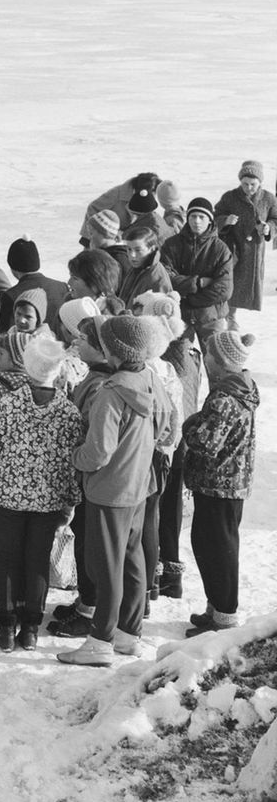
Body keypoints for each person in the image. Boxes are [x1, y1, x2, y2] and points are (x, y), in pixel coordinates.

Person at [58, 314, 176, 666]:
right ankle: (129, 633)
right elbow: (169, 427)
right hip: (141, 483)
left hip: (110, 490)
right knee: (132, 558)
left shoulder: (111, 392)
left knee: (105, 566)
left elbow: (98, 452)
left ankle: (100, 640)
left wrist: (73, 455)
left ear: (113, 350)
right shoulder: (151, 379)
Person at [0, 334, 83, 649]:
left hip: (9, 495)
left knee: (8, 558)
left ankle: (7, 627)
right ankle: (31, 629)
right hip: (49, 499)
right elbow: (71, 461)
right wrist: (70, 500)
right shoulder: (69, 412)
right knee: (38, 560)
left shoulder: (9, 404)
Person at [183, 328, 260, 636]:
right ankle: (216, 606)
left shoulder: (226, 397)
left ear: (223, 361)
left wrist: (189, 424)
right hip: (226, 484)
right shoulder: (241, 386)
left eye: (210, 354)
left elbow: (205, 442)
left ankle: (225, 615)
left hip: (219, 485)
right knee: (209, 544)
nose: (206, 359)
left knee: (218, 548)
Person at [161, 197, 235, 347]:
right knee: (180, 362)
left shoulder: (220, 249)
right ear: (187, 218)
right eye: (193, 216)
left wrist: (190, 300)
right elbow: (165, 278)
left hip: (212, 316)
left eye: (202, 217)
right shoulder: (171, 245)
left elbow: (224, 289)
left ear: (210, 220)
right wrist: (198, 283)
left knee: (218, 361)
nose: (197, 221)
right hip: (179, 316)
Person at [215, 162, 277, 319]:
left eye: (253, 184)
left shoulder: (268, 198)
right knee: (231, 285)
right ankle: (230, 319)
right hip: (234, 249)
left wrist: (268, 228)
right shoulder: (230, 197)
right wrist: (225, 220)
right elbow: (214, 217)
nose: (249, 188)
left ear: (260, 182)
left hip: (255, 250)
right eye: (245, 184)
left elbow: (275, 219)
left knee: (249, 286)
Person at [0, 237, 69, 334]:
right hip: (58, 348)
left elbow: (2, 338)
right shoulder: (62, 287)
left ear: (12, 267)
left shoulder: (11, 295)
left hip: (26, 348)